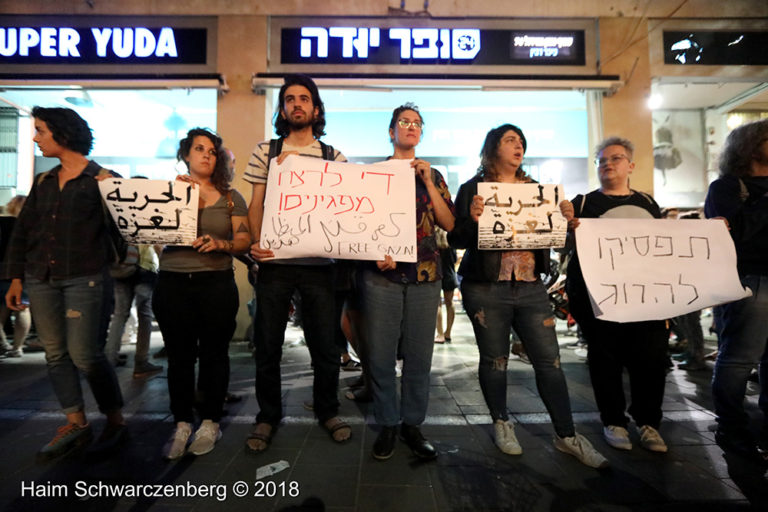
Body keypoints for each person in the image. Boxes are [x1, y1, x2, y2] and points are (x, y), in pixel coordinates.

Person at [449, 124, 608, 469]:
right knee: (495, 360)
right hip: (486, 286)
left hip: (531, 285)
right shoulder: (472, 189)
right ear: (493, 149)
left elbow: (557, 242)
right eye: (509, 140)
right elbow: (455, 239)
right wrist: (473, 219)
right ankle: (502, 422)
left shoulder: (538, 191)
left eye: (521, 141)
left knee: (550, 362)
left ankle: (566, 435)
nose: (518, 145)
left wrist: (567, 222)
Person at [3, 106, 126, 460]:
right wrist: (15, 278)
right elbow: (23, 233)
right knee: (55, 355)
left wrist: (113, 197)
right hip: (40, 279)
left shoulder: (103, 179)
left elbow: (124, 236)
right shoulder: (43, 182)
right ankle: (76, 422)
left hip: (85, 279)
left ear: (62, 133)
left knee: (86, 356)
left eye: (40, 130)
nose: (35, 137)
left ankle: (115, 418)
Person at [244, 74, 350, 452]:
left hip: (321, 264)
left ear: (316, 109)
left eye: (304, 98)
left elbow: (345, 209)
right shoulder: (266, 151)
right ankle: (267, 416)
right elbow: (256, 203)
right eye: (290, 99)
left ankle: (328, 410)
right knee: (268, 343)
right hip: (275, 263)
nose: (297, 104)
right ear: (283, 108)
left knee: (324, 343)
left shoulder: (333, 156)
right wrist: (256, 245)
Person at [564, 136, 669, 454]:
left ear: (631, 165)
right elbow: (569, 249)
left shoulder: (648, 204)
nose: (608, 164)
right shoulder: (583, 204)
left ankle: (649, 423)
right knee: (604, 360)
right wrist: (565, 225)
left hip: (646, 298)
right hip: (600, 300)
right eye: (601, 160)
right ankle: (614, 421)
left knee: (650, 361)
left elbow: (666, 249)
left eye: (616, 158)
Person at [362, 103, 454, 461]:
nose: (411, 127)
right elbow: (360, 224)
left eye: (417, 123)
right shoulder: (373, 174)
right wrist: (373, 253)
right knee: (381, 356)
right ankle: (387, 423)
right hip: (381, 277)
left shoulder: (433, 176)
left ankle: (412, 424)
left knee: (419, 357)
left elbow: (448, 222)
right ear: (391, 131)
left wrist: (429, 181)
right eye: (404, 122)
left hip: (425, 276)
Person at [153, 128, 250, 459]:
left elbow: (244, 241)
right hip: (172, 281)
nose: (207, 154)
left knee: (214, 354)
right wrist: (176, 202)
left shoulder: (230, 197)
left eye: (212, 150)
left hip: (215, 283)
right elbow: (150, 233)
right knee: (179, 357)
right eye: (199, 148)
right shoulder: (167, 192)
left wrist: (220, 243)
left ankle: (210, 421)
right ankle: (181, 422)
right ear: (186, 155)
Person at [704, 119, 768, 461]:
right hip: (750, 281)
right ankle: (733, 427)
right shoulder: (727, 188)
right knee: (738, 360)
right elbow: (737, 233)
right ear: (750, 145)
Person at [104, 241, 163, 378]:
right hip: (145, 265)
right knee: (145, 314)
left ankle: (109, 360)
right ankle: (141, 362)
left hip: (122, 264)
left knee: (120, 314)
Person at [0, 195, 31, 358]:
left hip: (2, 269)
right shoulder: (31, 226)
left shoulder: (3, 222)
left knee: (2, 308)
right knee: (21, 308)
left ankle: (3, 343)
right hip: (23, 270)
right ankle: (17, 347)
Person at [434, 227, 457, 344]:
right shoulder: (450, 242)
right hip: (449, 274)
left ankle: (440, 334)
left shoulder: (434, 243)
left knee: (437, 304)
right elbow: (455, 259)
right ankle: (448, 333)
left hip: (436, 274)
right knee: (450, 303)